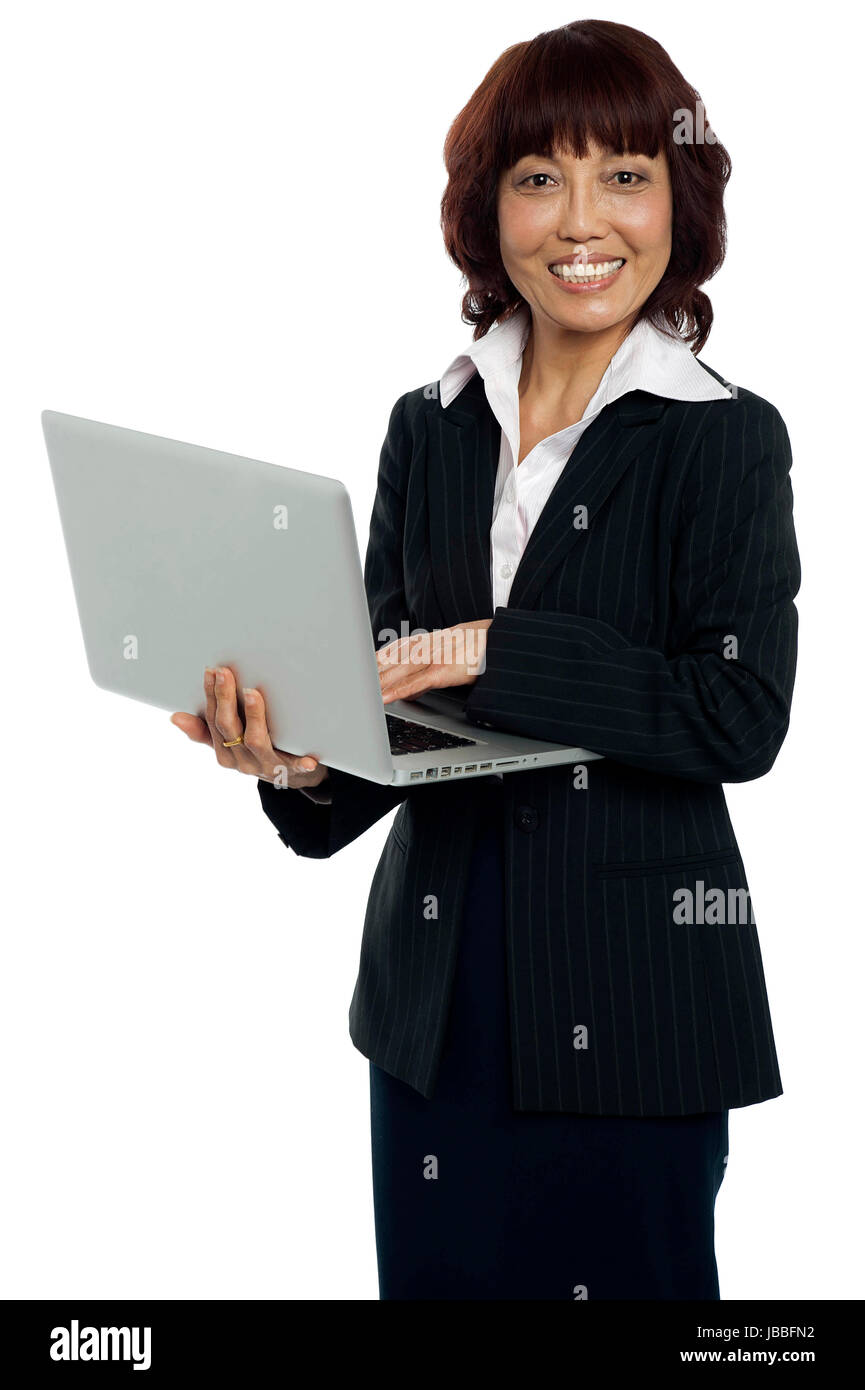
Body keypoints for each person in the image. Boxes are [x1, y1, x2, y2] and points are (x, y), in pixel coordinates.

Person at [171, 19, 800, 1300]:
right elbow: (389, 728)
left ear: (677, 196)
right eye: (536, 178)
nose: (583, 220)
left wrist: (500, 650)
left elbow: (738, 713)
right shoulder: (430, 426)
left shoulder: (725, 439)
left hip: (635, 1017)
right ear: (488, 210)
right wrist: (298, 760)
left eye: (624, 174)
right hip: (435, 1012)